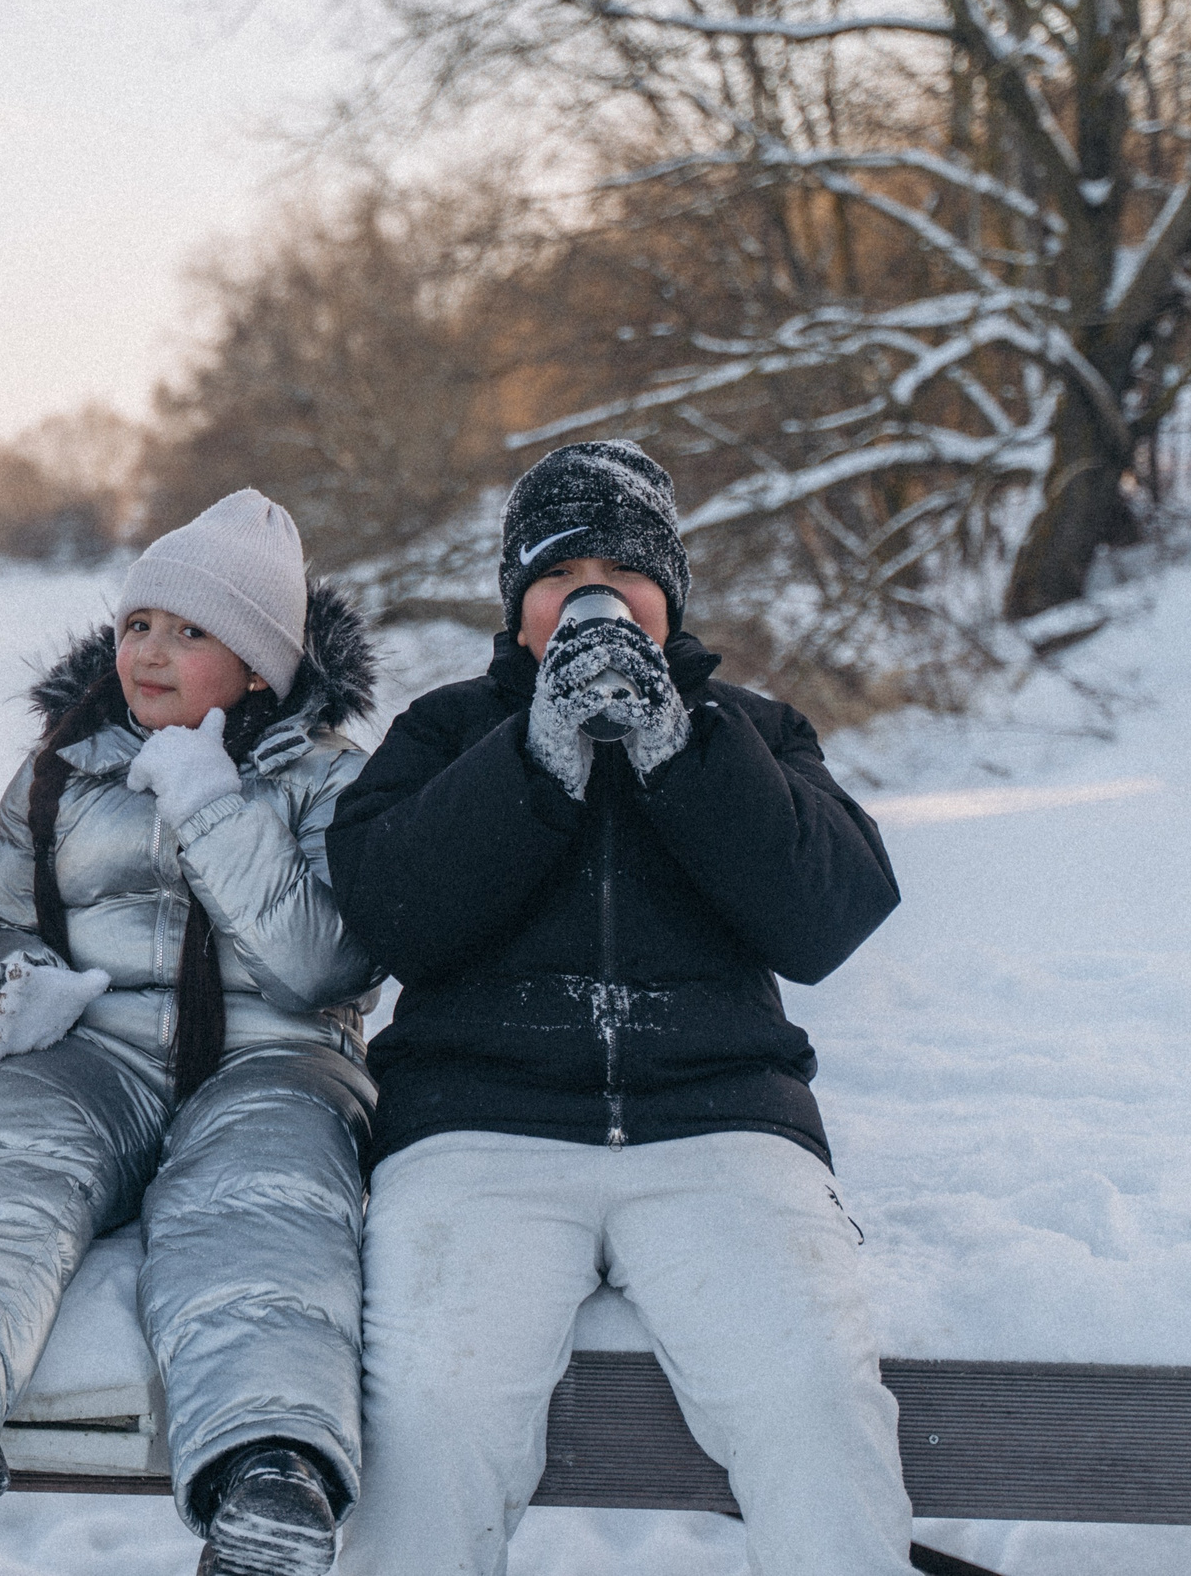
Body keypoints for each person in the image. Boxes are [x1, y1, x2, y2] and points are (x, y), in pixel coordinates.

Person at [0, 490, 383, 1576]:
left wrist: (210, 805)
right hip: (94, 1052)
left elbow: (330, 962)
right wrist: (7, 985)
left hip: (274, 1063)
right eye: (140, 622)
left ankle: (266, 1472)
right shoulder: (64, 767)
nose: (150, 651)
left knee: (262, 1197)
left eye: (193, 632)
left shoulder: (325, 779)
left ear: (259, 667)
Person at [324, 440, 910, 1576]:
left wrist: (674, 746)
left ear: (668, 594)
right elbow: (390, 914)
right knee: (433, 1412)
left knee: (810, 1396)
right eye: (557, 574)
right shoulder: (447, 732)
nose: (589, 595)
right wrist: (534, 757)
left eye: (620, 571)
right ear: (516, 604)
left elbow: (829, 914)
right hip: (477, 1130)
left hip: (722, 1128)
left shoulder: (753, 728)